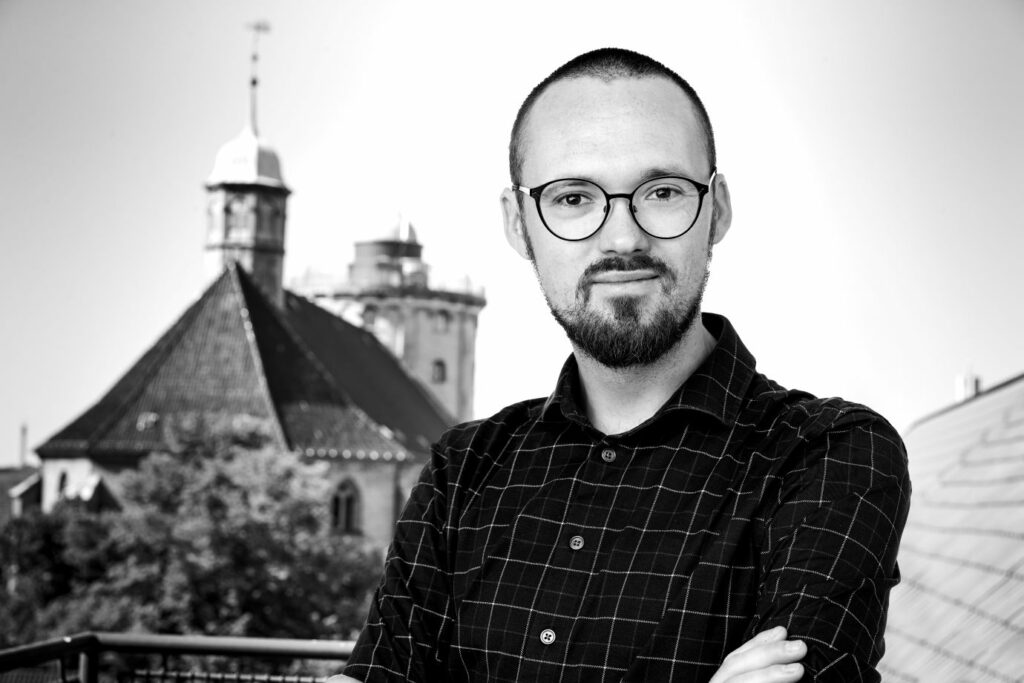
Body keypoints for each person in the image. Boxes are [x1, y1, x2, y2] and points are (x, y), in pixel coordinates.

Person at [336, 47, 910, 682]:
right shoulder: (462, 471)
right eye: (573, 198)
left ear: (717, 210)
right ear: (519, 224)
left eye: (662, 192)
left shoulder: (831, 457)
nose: (622, 238)